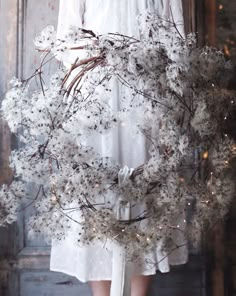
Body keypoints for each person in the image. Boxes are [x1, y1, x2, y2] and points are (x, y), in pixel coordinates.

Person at [50, 1, 187, 296]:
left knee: (145, 202)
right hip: (95, 100)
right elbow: (66, 40)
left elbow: (175, 42)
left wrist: (168, 100)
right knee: (97, 200)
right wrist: (104, 60)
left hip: (147, 101)